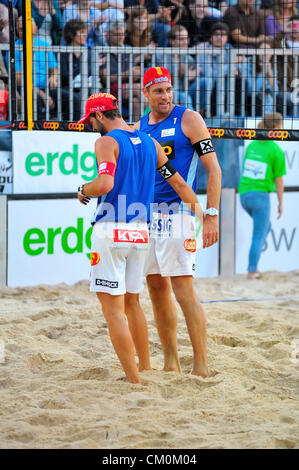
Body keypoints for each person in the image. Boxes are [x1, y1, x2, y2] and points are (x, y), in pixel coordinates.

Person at [76, 91, 204, 383]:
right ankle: (145, 367)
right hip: (141, 232)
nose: (90, 126)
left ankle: (134, 380)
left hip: (110, 229)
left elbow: (104, 183)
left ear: (99, 116)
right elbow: (180, 184)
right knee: (133, 302)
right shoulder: (150, 143)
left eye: (91, 120)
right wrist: (204, 215)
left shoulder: (106, 142)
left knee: (114, 311)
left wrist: (83, 189)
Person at [134, 67, 222, 377]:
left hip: (179, 214)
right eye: (158, 91)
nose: (166, 96)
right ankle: (171, 362)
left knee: (184, 291)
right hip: (147, 216)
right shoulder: (140, 126)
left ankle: (201, 365)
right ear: (145, 93)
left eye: (169, 89)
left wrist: (210, 216)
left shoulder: (189, 119)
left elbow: (214, 170)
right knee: (156, 289)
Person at [238, 112, 286, 280]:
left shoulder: (252, 145)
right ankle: (251, 273)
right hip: (260, 197)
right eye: (281, 127)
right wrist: (281, 204)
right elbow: (279, 181)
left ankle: (254, 264)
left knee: (266, 226)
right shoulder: (276, 150)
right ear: (276, 128)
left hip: (243, 195)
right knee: (258, 236)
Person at [15, 16, 58, 119]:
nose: (24, 32)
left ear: (35, 29)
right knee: (35, 99)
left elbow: (54, 70)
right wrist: (42, 94)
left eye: (28, 28)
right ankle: (36, 130)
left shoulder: (45, 45)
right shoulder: (15, 48)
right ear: (17, 31)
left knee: (70, 98)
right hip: (25, 88)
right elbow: (19, 80)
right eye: (21, 29)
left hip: (46, 87)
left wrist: (53, 78)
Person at [99, 19, 142, 121]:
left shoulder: (128, 49)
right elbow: (106, 79)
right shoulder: (102, 51)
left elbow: (135, 73)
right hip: (108, 90)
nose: (121, 37)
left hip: (128, 88)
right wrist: (128, 73)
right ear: (108, 34)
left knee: (135, 102)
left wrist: (136, 73)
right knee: (141, 89)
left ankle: (135, 130)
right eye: (117, 34)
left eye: (122, 34)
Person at [155, 25, 195, 109]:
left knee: (185, 95)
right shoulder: (160, 57)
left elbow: (188, 86)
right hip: (165, 91)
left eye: (186, 39)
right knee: (184, 97)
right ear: (172, 41)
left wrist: (190, 76)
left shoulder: (189, 59)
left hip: (183, 91)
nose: (185, 42)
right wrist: (177, 73)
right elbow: (157, 82)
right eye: (181, 39)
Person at [61, 19, 91, 120]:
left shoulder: (88, 51)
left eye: (85, 32)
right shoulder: (63, 52)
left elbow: (91, 71)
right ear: (72, 35)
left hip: (86, 86)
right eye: (81, 32)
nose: (85, 35)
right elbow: (64, 76)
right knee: (76, 98)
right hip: (68, 87)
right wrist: (81, 69)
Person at [272, 15, 299, 116]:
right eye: (293, 25)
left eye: (298, 25)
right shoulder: (281, 43)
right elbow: (273, 44)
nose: (295, 28)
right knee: (292, 101)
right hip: (285, 89)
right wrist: (283, 31)